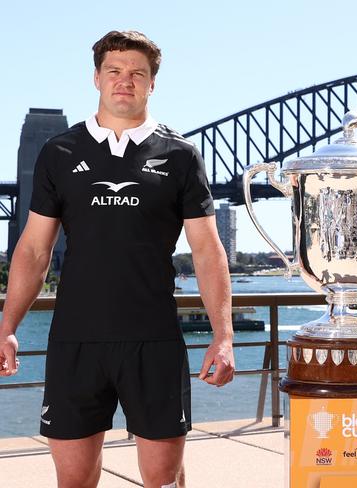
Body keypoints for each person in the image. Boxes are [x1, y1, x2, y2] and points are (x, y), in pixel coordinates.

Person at [0, 30, 235, 488]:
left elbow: (207, 251)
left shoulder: (181, 155)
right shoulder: (60, 152)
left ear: (151, 84)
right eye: (114, 71)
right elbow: (33, 249)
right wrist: (7, 326)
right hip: (76, 340)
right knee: (73, 481)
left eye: (136, 73)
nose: (124, 81)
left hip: (154, 340)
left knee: (163, 479)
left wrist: (223, 337)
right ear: (96, 78)